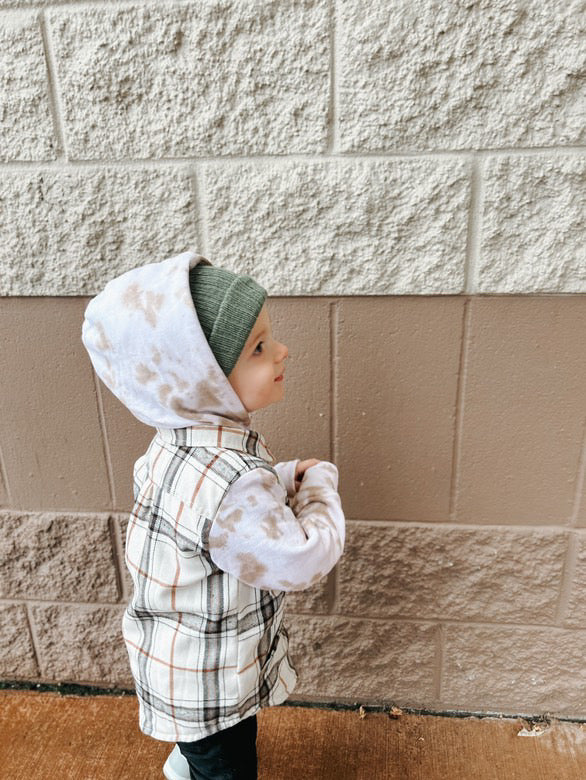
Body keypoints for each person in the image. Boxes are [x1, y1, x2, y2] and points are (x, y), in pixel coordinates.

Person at [81, 250, 346, 780]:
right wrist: (318, 486)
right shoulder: (230, 480)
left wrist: (281, 474)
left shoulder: (173, 446)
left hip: (178, 663)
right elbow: (300, 559)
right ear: (204, 380)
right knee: (227, 767)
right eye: (259, 348)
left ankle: (189, 763)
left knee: (207, 753)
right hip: (212, 681)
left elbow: (212, 518)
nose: (282, 352)